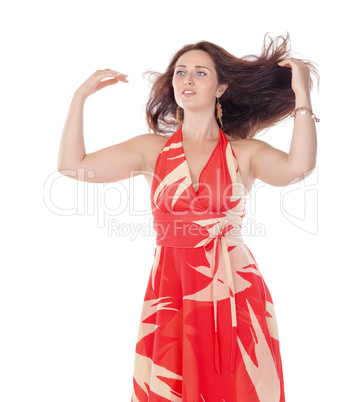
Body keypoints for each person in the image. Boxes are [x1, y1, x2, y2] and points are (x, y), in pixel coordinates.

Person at [58, 34, 318, 402]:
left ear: (220, 88)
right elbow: (73, 167)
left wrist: (302, 95)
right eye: (180, 73)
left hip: (234, 289)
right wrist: (79, 96)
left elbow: (298, 167)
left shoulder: (244, 153)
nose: (187, 80)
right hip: (171, 289)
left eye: (199, 73)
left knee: (236, 387)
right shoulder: (151, 149)